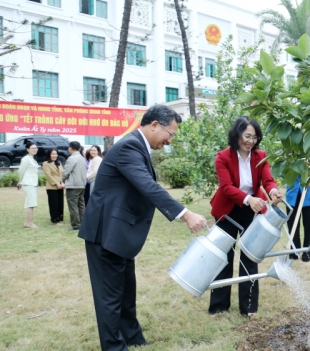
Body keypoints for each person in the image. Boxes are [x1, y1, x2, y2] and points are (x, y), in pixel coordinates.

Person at [78, 105, 207, 351]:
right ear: (154, 124)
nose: (170, 140)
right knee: (110, 297)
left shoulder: (137, 146)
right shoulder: (129, 146)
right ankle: (114, 347)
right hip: (106, 233)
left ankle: (132, 336)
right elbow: (147, 186)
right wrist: (185, 213)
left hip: (120, 233)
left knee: (126, 292)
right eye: (170, 133)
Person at [209, 116, 282, 317]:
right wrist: (248, 199)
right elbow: (226, 188)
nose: (250, 141)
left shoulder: (260, 156)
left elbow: (268, 180)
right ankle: (219, 305)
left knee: (250, 256)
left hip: (253, 210)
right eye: (247, 136)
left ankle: (248, 307)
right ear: (237, 135)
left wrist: (273, 191)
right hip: (228, 209)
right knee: (224, 255)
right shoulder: (223, 157)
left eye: (255, 137)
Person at [285, 177, 310, 262]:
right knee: (292, 226)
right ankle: (294, 252)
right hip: (292, 193)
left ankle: (307, 253)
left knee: (309, 226)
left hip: (309, 193)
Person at [62, 141, 88, 231]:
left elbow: (66, 172)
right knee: (81, 205)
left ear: (70, 148)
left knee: (73, 205)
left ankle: (76, 225)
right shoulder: (82, 158)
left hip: (73, 185)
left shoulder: (72, 158)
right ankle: (84, 222)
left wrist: (61, 180)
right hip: (81, 184)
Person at [17, 142, 39, 228]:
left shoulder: (32, 159)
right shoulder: (26, 159)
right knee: (31, 203)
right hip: (28, 183)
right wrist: (20, 181)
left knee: (31, 203)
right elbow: (21, 171)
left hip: (32, 183)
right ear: (28, 149)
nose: (34, 149)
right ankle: (30, 223)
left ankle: (27, 222)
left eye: (35, 148)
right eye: (32, 148)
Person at [42, 149, 65, 225]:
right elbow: (48, 175)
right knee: (53, 204)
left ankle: (59, 218)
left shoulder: (59, 163)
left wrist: (62, 183)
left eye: (56, 154)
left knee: (60, 203)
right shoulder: (46, 163)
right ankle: (54, 220)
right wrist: (56, 183)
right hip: (52, 187)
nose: (54, 155)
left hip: (60, 186)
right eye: (53, 154)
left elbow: (61, 174)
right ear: (49, 155)